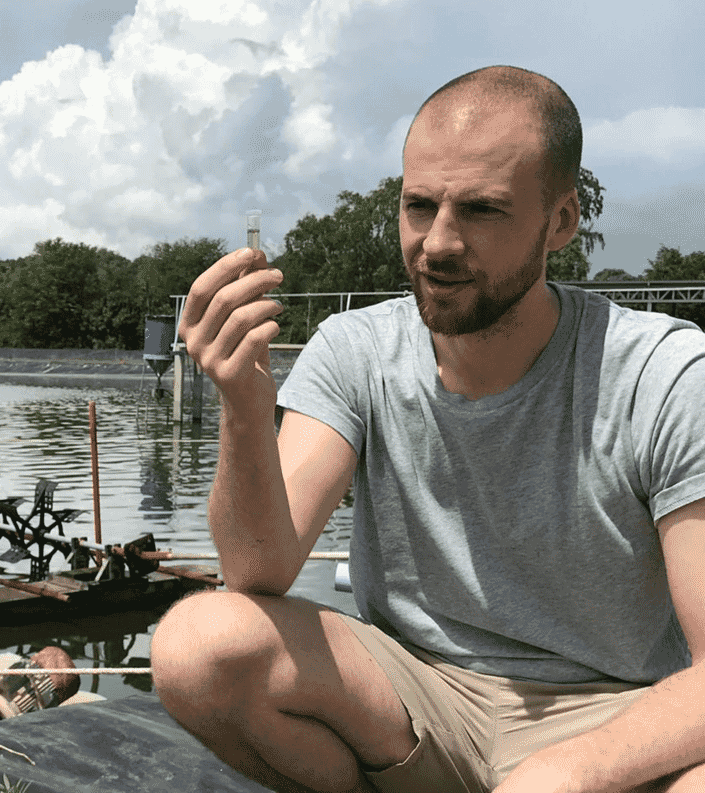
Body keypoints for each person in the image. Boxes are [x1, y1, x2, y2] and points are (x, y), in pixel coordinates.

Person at [150, 65, 705, 793]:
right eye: (419, 206)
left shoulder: (665, 374)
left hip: (614, 710)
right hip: (418, 701)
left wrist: (568, 772)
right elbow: (260, 574)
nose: (437, 243)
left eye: (481, 210)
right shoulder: (357, 350)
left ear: (561, 222)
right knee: (198, 643)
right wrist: (245, 413)